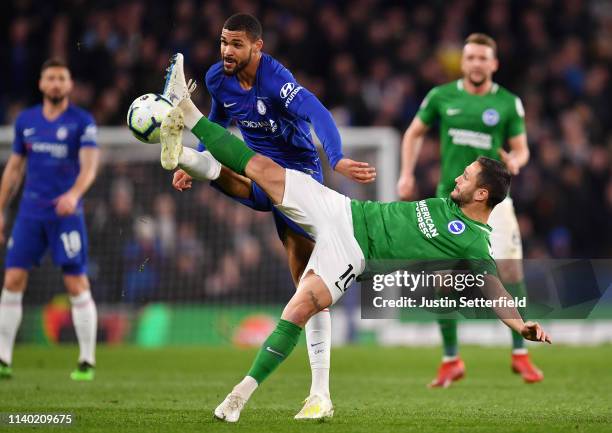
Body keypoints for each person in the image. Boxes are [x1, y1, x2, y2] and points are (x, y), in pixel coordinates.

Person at [156, 78, 552, 422]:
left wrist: (519, 325)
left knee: (299, 307)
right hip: (345, 211)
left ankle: (239, 395)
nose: (458, 177)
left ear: (482, 194)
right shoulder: (449, 201)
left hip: (353, 255)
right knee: (261, 168)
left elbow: (493, 288)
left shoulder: (473, 241)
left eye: (466, 178)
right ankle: (187, 118)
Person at [161, 13, 375, 419]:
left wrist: (338, 158)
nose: (227, 50)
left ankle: (319, 393)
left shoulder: (277, 80)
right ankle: (185, 155)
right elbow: (222, 124)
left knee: (306, 286)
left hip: (298, 176)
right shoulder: (216, 79)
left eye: (237, 44)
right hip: (256, 169)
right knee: (235, 175)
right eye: (224, 41)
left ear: (257, 47)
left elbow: (317, 112)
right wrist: (199, 158)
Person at [396, 33, 542, 386]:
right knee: (442, 280)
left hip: (494, 203)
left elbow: (522, 149)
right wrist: (405, 174)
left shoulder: (508, 103)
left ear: (494, 64)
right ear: (463, 63)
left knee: (509, 270)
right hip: (450, 202)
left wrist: (516, 161)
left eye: (483, 58)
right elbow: (414, 133)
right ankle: (450, 359)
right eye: (471, 57)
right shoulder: (441, 97)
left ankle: (520, 353)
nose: (476, 63)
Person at [0, 59, 99, 381]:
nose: (56, 83)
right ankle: (3, 358)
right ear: (42, 84)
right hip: (30, 214)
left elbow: (89, 166)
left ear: (69, 85)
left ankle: (86, 360)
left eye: (62, 78)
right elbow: (14, 169)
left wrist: (74, 195)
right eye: (50, 78)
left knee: (75, 282)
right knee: (13, 280)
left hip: (66, 215)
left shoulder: (81, 121)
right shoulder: (25, 121)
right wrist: (1, 209)